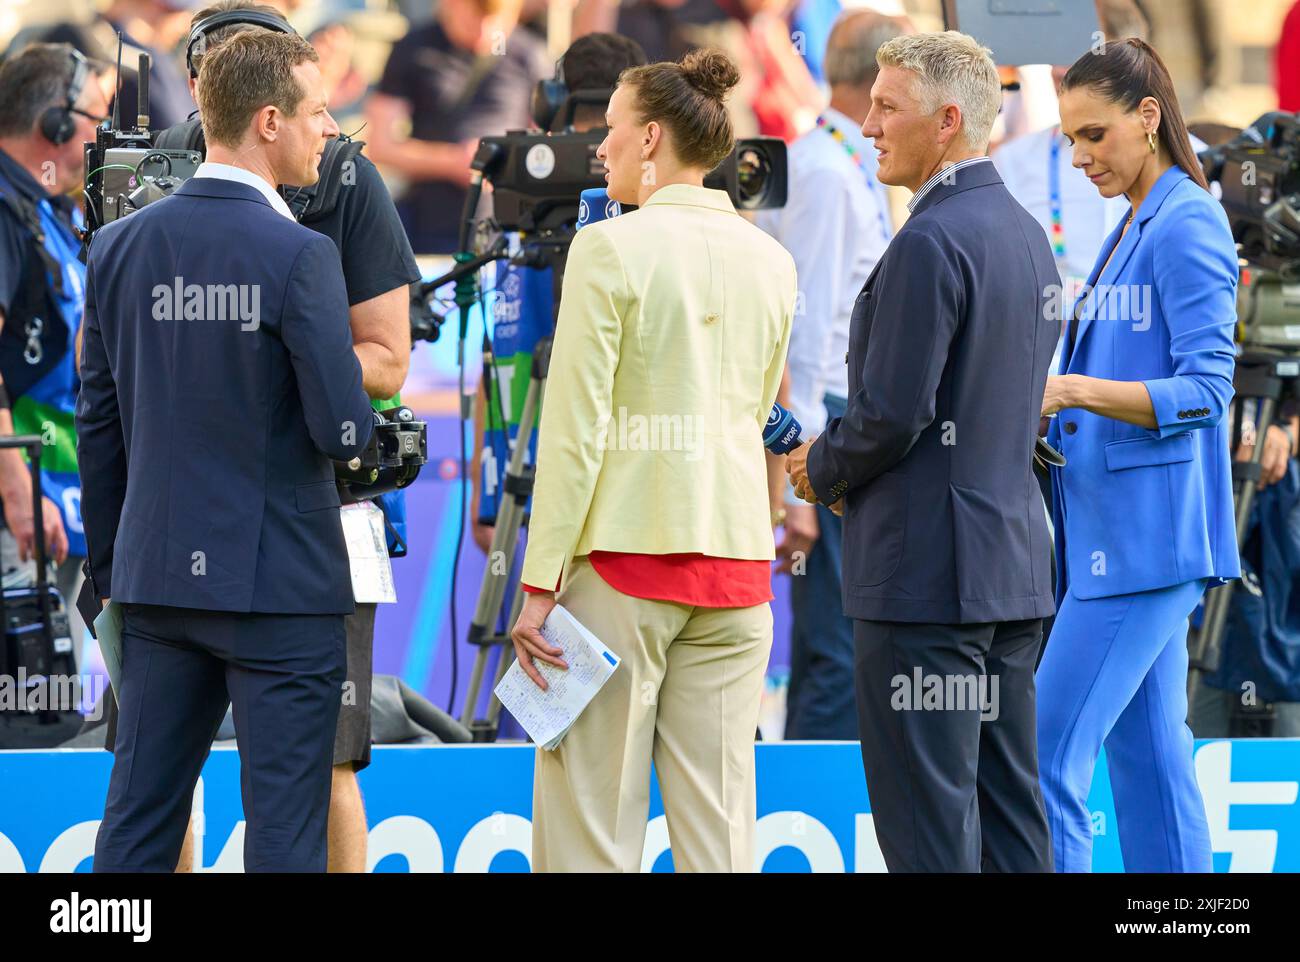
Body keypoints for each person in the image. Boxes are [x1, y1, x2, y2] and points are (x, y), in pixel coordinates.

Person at [86, 0, 419, 875]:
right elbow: (343, 426)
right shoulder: (300, 253)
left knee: (135, 826)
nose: (330, 130)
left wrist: (113, 565)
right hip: (283, 587)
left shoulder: (116, 248)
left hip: (155, 583)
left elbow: (100, 425)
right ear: (269, 122)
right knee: (284, 831)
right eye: (317, 113)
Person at [509, 48, 796, 873]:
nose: (597, 149)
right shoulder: (773, 263)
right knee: (722, 837)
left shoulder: (607, 250)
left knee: (590, 833)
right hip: (739, 570)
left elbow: (574, 430)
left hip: (624, 571)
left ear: (651, 140)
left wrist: (538, 586)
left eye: (609, 131)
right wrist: (766, 532)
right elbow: (760, 415)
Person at [786, 30, 1058, 873]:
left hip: (926, 589)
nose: (866, 123)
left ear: (946, 122)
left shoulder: (931, 242)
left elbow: (892, 415)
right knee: (1012, 819)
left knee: (926, 830)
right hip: (1008, 580)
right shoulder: (1022, 231)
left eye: (885, 106)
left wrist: (815, 470)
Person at [1036, 38, 1240, 873]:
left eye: (1094, 135)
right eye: (1070, 141)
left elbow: (1207, 392)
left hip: (1141, 551)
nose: (1081, 157)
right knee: (1152, 770)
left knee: (1041, 763)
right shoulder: (1140, 219)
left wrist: (1071, 393)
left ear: (1148, 118)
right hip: (1122, 544)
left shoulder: (1186, 220)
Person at [756, 9, 905, 741]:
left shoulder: (840, 166)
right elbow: (802, 334)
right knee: (836, 645)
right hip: (831, 429)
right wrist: (802, 475)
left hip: (842, 423)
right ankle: (814, 813)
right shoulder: (825, 173)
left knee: (846, 638)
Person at [0, 44, 112, 665]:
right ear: (57, 124)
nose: (107, 139)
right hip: (20, 505)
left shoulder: (46, 209)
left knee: (54, 703)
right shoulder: (3, 210)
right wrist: (16, 485)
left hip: (57, 500)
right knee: (25, 712)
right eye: (98, 119)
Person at [365, 0, 549, 253]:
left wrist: (505, 162)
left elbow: (548, 148)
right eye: (475, 19)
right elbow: (381, 146)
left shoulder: (529, 54)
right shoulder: (412, 49)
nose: (485, 34)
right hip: (430, 228)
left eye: (496, 22)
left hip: (507, 232)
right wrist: (453, 161)